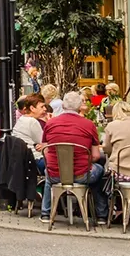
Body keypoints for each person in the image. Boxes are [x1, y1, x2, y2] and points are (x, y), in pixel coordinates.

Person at [39, 91, 108, 224]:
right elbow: (95, 156)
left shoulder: (50, 124)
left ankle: (46, 213)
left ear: (63, 106)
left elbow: (47, 151)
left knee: (49, 173)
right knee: (99, 170)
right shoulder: (89, 125)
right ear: (79, 106)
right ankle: (101, 214)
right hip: (81, 175)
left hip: (56, 175)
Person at [12, 93, 48, 171]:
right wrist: (50, 122)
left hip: (23, 160)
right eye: (42, 106)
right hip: (36, 160)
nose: (45, 109)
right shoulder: (32, 122)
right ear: (32, 108)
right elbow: (44, 144)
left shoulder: (22, 119)